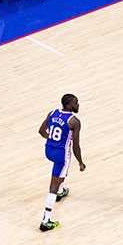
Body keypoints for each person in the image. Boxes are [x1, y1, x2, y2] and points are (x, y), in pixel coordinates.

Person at [37, 94, 84, 232]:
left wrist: (51, 139)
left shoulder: (53, 113)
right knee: (54, 183)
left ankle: (61, 191)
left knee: (58, 173)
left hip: (48, 150)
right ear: (69, 106)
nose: (78, 105)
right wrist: (80, 162)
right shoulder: (74, 121)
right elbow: (75, 146)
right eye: (76, 103)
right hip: (61, 154)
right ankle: (45, 220)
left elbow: (41, 131)